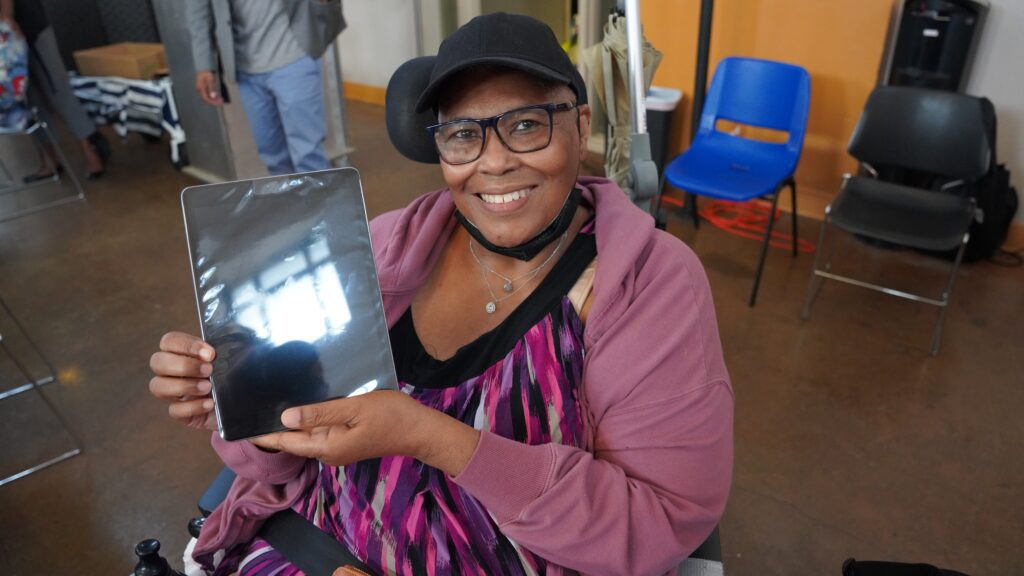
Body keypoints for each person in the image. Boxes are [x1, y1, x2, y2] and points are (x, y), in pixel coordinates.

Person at [150, 12, 733, 576]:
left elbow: (652, 526)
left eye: (527, 123)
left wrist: (433, 439)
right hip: (318, 550)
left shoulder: (648, 285)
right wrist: (235, 403)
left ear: (580, 126)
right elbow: (279, 457)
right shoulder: (382, 248)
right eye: (463, 135)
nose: (496, 162)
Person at [184, 0, 345, 176]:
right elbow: (197, 11)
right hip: (246, 67)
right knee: (273, 157)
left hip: (294, 54)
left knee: (308, 154)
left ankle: (321, 202)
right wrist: (204, 65)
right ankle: (290, 201)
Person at [1, 0, 110, 180]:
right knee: (31, 102)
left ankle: (91, 152)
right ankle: (50, 161)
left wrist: (6, 17)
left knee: (58, 92)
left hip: (29, 28)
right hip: (7, 38)